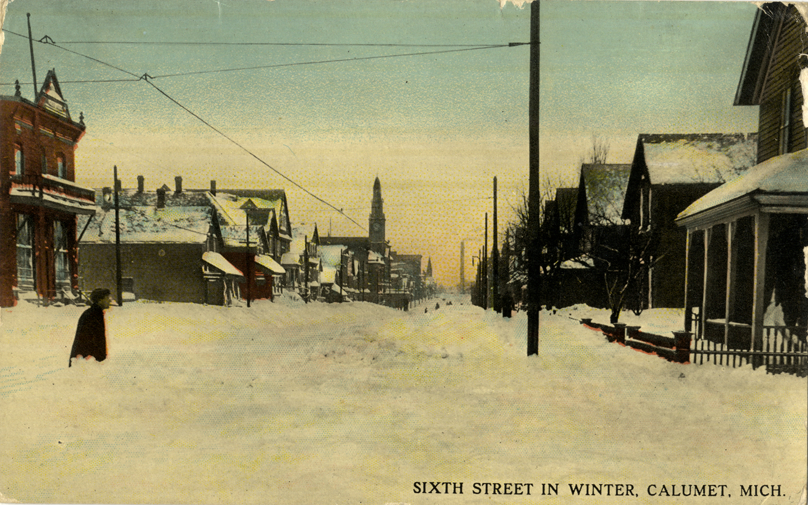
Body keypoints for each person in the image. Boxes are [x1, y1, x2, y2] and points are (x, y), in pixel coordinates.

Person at [69, 288, 111, 367]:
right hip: (86, 361)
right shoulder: (94, 314)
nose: (110, 300)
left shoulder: (93, 312)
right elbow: (95, 340)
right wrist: (100, 359)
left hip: (84, 359)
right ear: (100, 300)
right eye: (107, 298)